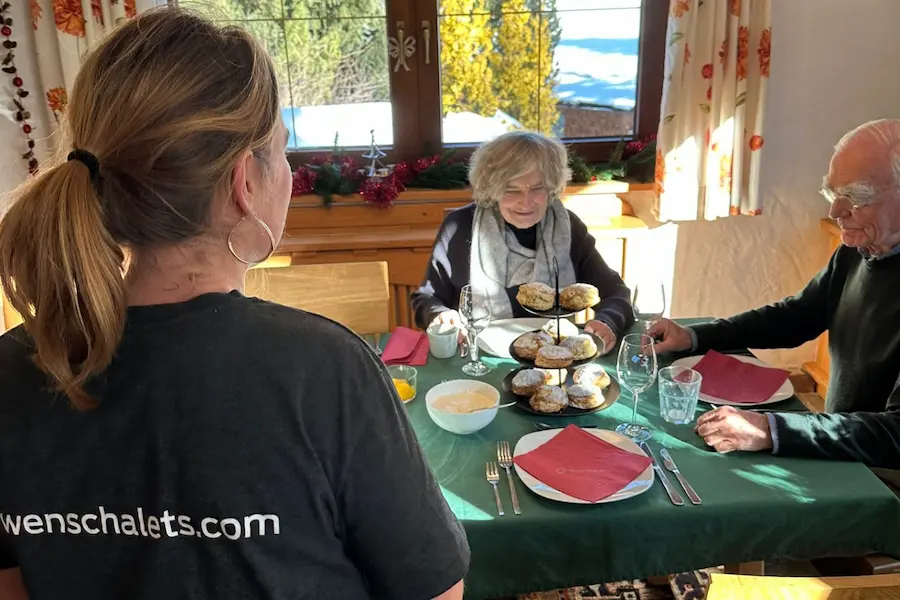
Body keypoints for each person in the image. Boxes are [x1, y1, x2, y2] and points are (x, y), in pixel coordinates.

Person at [0, 9, 468, 600]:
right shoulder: (324, 371)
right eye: (283, 153)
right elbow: (435, 592)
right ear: (245, 181)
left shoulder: (9, 369)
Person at [650, 119, 900, 472]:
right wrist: (694, 336)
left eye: (856, 198)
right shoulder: (858, 249)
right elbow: (796, 317)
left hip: (883, 477)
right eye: (832, 194)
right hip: (845, 454)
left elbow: (896, 434)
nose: (834, 212)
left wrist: (768, 429)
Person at [410, 131, 634, 353]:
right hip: (478, 357)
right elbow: (426, 298)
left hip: (552, 358)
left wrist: (607, 322)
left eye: (537, 188)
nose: (526, 202)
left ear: (551, 187)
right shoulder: (459, 227)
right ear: (492, 189)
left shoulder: (568, 227)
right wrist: (439, 315)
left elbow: (616, 293)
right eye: (511, 190)